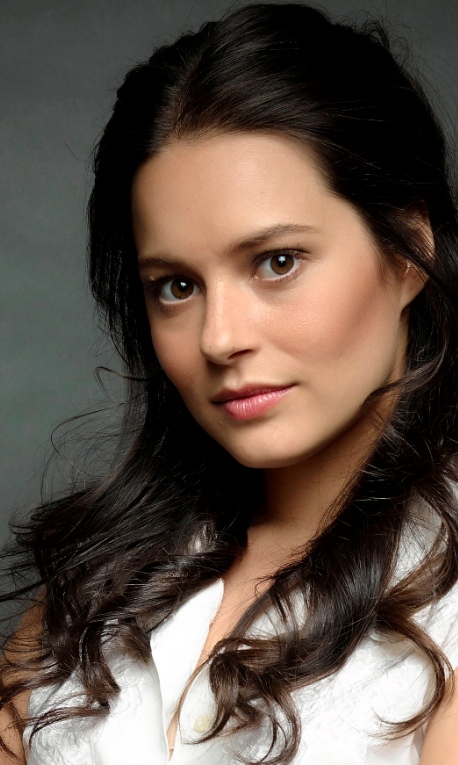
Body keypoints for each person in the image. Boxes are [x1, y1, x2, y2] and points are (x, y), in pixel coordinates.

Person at [1, 2, 458, 763]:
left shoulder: (444, 608)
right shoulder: (103, 584)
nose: (219, 337)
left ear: (408, 250)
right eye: (177, 286)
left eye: (277, 262)